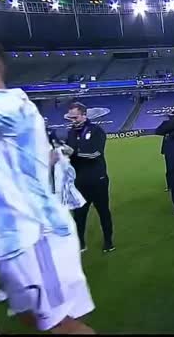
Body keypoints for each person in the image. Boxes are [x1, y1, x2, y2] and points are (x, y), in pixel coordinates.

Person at [0, 33, 95, 334]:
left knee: (62, 327)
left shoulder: (10, 106)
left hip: (36, 238)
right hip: (11, 240)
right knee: (32, 318)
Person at [66, 102, 115, 253]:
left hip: (97, 180)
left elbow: (94, 154)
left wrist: (72, 153)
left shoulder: (96, 131)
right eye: (71, 118)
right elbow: (70, 157)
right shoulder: (71, 133)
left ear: (84, 115)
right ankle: (80, 243)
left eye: (75, 117)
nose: (73, 120)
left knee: (103, 212)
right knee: (79, 215)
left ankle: (108, 242)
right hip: (79, 181)